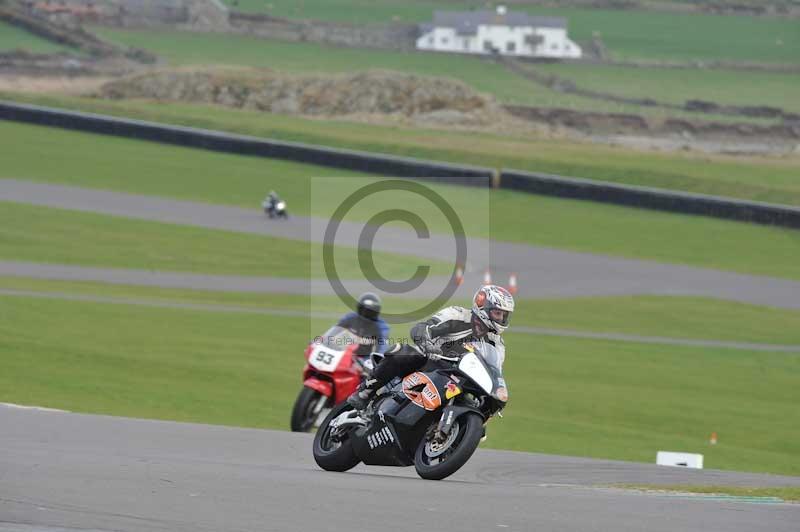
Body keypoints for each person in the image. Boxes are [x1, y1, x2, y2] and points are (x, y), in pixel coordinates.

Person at [347, 284, 514, 411]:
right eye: (497, 313)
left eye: (504, 315)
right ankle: (365, 391)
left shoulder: (497, 344)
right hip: (430, 361)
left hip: (458, 379)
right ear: (482, 305)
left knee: (473, 405)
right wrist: (429, 344)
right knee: (405, 352)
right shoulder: (457, 314)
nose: (501, 318)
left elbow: (493, 372)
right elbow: (422, 328)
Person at [336, 292, 391, 359]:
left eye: (370, 311)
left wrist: (377, 360)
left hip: (365, 359)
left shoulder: (381, 326)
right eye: (364, 310)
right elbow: (335, 331)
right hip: (345, 354)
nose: (366, 312)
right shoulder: (350, 317)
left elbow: (382, 346)